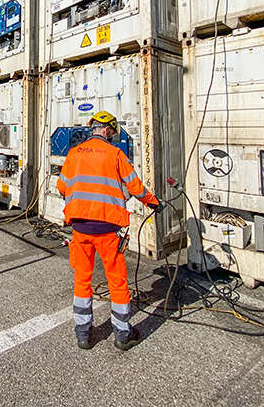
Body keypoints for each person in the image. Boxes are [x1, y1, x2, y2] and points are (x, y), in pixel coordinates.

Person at [57, 110, 161, 351]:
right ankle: (122, 334)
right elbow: (135, 186)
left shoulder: (74, 154)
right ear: (107, 129)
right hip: (107, 230)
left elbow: (62, 186)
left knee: (82, 280)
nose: (113, 135)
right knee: (117, 281)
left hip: (81, 228)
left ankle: (83, 333)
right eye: (112, 131)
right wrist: (153, 202)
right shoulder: (115, 154)